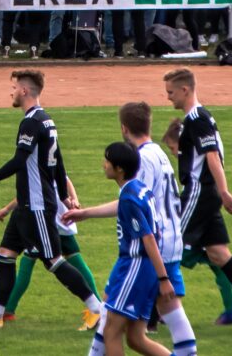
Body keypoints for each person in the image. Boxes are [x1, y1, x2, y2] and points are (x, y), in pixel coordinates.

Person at [0, 69, 103, 331]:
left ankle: (98, 308)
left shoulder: (30, 122)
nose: (12, 92)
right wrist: (65, 197)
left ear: (25, 91)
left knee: (53, 260)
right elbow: (58, 162)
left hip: (37, 204)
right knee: (5, 254)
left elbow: (20, 161)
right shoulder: (47, 120)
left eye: (14, 88)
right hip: (27, 204)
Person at [63, 102, 196, 355]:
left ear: (124, 128)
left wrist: (86, 213)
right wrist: (85, 213)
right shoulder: (158, 153)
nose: (103, 165)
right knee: (135, 329)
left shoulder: (141, 161)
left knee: (113, 321)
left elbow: (133, 206)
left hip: (147, 252)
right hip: (168, 240)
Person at [162, 67, 232, 333]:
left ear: (185, 90)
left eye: (171, 92)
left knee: (167, 244)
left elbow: (211, 156)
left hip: (199, 191)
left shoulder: (197, 118)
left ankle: (149, 318)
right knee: (219, 254)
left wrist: (224, 191)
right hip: (207, 194)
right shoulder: (201, 117)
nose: (168, 97)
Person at [70, 142, 174, 356]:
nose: (104, 164)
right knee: (136, 339)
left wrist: (164, 279)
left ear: (119, 169)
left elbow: (148, 238)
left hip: (135, 268)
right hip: (140, 268)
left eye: (107, 161)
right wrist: (85, 214)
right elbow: (122, 207)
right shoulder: (139, 189)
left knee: (111, 331)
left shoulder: (129, 198)